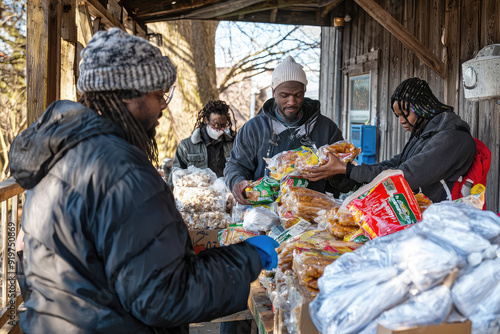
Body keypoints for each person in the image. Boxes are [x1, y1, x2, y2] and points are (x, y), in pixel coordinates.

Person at [8, 28, 278, 333]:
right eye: (158, 94)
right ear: (128, 95)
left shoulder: (61, 154)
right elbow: (164, 297)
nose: (163, 106)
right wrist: (246, 258)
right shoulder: (121, 172)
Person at [304, 77, 476, 203]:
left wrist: (348, 170)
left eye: (405, 113)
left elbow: (406, 175)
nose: (401, 121)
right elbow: (395, 164)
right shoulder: (426, 133)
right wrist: (349, 170)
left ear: (422, 107)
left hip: (438, 218)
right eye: (398, 115)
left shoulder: (453, 138)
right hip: (413, 210)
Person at [224, 56, 353, 204]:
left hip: (315, 214)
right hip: (264, 213)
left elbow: (346, 181)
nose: (292, 102)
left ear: (304, 91)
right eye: (284, 96)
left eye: (298, 95)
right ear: (274, 93)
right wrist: (237, 181)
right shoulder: (254, 128)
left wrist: (334, 174)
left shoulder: (327, 129)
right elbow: (236, 165)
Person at [168, 100, 236, 187]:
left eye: (222, 125)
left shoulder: (232, 144)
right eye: (215, 124)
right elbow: (175, 176)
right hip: (197, 196)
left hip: (224, 195)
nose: (218, 129)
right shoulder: (186, 146)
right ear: (206, 120)